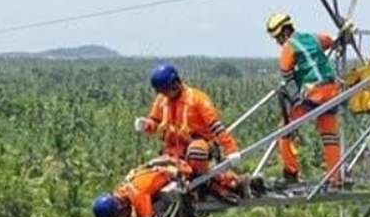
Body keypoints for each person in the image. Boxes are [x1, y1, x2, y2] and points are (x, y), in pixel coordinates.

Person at [135, 63, 244, 200]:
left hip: (200, 146)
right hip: (174, 149)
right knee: (156, 168)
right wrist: (146, 125)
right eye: (162, 92)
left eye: (166, 90)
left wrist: (231, 149)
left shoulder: (198, 99)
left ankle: (215, 184)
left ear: (176, 84)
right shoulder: (162, 101)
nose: (165, 94)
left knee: (196, 151)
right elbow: (156, 124)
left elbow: (216, 126)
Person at [265, 13, 351, 187]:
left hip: (314, 93)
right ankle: (335, 178)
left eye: (277, 38)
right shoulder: (313, 38)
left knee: (285, 129)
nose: (278, 42)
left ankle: (291, 172)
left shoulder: (289, 46)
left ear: (283, 33)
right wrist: (343, 35)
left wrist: (298, 73)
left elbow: (286, 72)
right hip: (333, 91)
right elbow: (331, 40)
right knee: (329, 135)